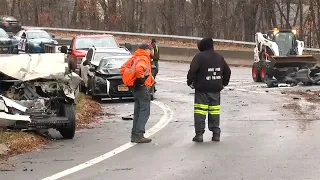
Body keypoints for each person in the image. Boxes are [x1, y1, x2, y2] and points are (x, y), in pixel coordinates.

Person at [187, 37, 231, 142]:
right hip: (216, 89)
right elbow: (228, 71)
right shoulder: (219, 57)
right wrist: (223, 83)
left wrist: (190, 82)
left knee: (200, 112)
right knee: (214, 111)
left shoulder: (199, 57)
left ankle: (199, 134)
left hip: (202, 89)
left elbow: (192, 70)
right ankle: (216, 134)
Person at [120, 43, 155, 143]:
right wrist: (141, 79)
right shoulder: (143, 58)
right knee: (144, 111)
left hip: (134, 87)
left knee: (137, 112)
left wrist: (131, 79)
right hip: (142, 87)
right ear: (146, 50)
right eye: (150, 50)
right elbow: (140, 68)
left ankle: (134, 135)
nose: (151, 52)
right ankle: (139, 135)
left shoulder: (133, 58)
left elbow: (122, 69)